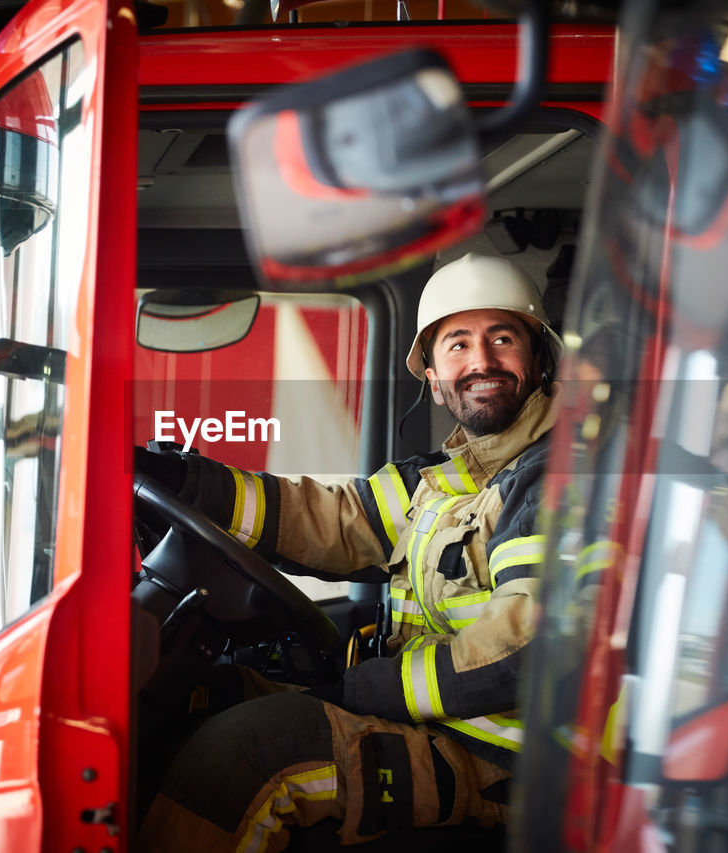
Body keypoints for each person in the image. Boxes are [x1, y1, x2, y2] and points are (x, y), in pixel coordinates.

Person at [135, 252, 566, 851]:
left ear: (538, 360)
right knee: (210, 693)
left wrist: (371, 689)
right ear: (435, 378)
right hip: (438, 726)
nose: (482, 361)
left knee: (250, 755)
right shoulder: (448, 481)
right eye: (458, 345)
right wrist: (190, 484)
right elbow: (332, 518)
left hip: (508, 765)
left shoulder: (563, 475)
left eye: (502, 338)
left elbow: (525, 647)